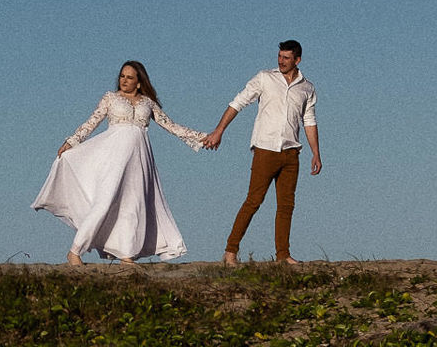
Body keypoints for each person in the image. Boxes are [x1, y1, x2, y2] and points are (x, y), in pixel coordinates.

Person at [33, 60, 205, 265]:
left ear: (139, 82)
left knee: (133, 205)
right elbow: (91, 122)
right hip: (112, 157)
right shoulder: (111, 98)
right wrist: (71, 142)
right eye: (122, 76)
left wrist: (202, 138)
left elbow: (172, 126)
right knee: (104, 202)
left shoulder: (148, 103)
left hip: (139, 161)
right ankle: (75, 251)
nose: (124, 80)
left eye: (130, 77)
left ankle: (126, 253)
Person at [203, 40, 321, 266]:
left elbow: (309, 120)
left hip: (291, 151)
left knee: (287, 205)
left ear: (297, 60)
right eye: (279, 56)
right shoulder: (265, 77)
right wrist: (219, 131)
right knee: (254, 200)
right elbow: (238, 102)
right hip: (265, 150)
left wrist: (316, 152)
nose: (281, 61)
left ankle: (283, 255)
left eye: (286, 58)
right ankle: (230, 252)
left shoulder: (307, 87)